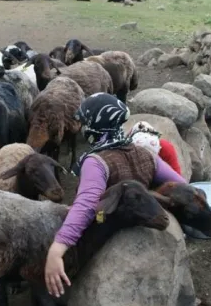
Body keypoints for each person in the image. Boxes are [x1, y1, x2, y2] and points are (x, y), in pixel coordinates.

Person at [43, 93, 188, 298]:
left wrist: (57, 248)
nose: (83, 128)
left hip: (107, 235)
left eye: (85, 123)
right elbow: (180, 185)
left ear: (95, 125)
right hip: (145, 233)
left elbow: (86, 204)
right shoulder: (143, 153)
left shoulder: (97, 161)